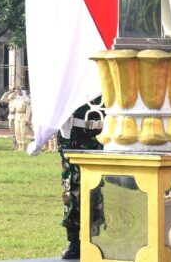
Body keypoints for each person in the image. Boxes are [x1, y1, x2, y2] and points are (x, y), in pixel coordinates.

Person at [57, 97, 105, 259]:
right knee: (72, 187)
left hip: (105, 133)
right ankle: (74, 240)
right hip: (73, 133)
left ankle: (96, 238)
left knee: (99, 187)